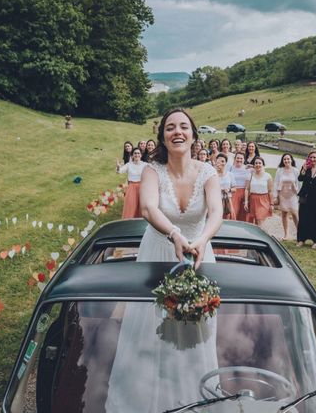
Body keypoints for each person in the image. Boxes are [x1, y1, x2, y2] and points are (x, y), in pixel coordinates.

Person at [105, 108, 223, 412]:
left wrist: (202, 239)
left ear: (194, 135)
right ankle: (145, 396)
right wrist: (173, 234)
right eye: (170, 128)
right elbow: (148, 208)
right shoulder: (151, 171)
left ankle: (195, 393)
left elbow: (216, 212)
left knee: (196, 323)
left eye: (184, 126)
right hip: (159, 252)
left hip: (198, 253)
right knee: (151, 326)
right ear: (163, 137)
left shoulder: (208, 172)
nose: (177, 132)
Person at [273, 153, 300, 240]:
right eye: (284, 159)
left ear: (291, 160)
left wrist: (298, 194)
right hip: (283, 195)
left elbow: (299, 184)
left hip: (293, 195)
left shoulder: (296, 171)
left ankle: (300, 234)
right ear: (282, 161)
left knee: (295, 214)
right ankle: (286, 234)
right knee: (284, 214)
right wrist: (275, 196)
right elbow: (276, 183)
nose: (286, 161)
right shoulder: (280, 170)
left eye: (288, 159)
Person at [244, 156, 273, 228]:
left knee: (260, 220)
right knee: (256, 221)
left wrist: (271, 204)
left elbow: (270, 191)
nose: (258, 165)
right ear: (254, 165)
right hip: (253, 199)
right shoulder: (251, 175)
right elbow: (247, 189)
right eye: (256, 163)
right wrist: (246, 201)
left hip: (264, 199)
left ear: (263, 165)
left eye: (260, 163)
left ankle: (262, 237)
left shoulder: (268, 176)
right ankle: (257, 237)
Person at [116, 148, 145, 218]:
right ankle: (128, 222)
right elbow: (120, 171)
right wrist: (118, 167)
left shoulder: (145, 165)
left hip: (142, 188)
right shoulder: (129, 165)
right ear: (132, 155)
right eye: (135, 153)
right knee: (130, 205)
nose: (137, 155)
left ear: (141, 155)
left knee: (142, 206)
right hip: (132, 187)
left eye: (138, 153)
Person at [230, 152, 250, 221]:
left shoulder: (247, 168)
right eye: (237, 158)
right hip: (234, 192)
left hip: (244, 192)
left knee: (244, 213)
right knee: (233, 212)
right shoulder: (230, 168)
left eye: (241, 158)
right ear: (235, 159)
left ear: (244, 159)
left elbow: (259, 167)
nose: (239, 160)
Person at [215, 153, 235, 219]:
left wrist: (228, 190)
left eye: (223, 161)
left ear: (226, 163)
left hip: (227, 200)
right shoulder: (212, 174)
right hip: (215, 200)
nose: (220, 163)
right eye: (218, 161)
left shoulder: (230, 175)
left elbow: (234, 189)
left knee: (227, 220)